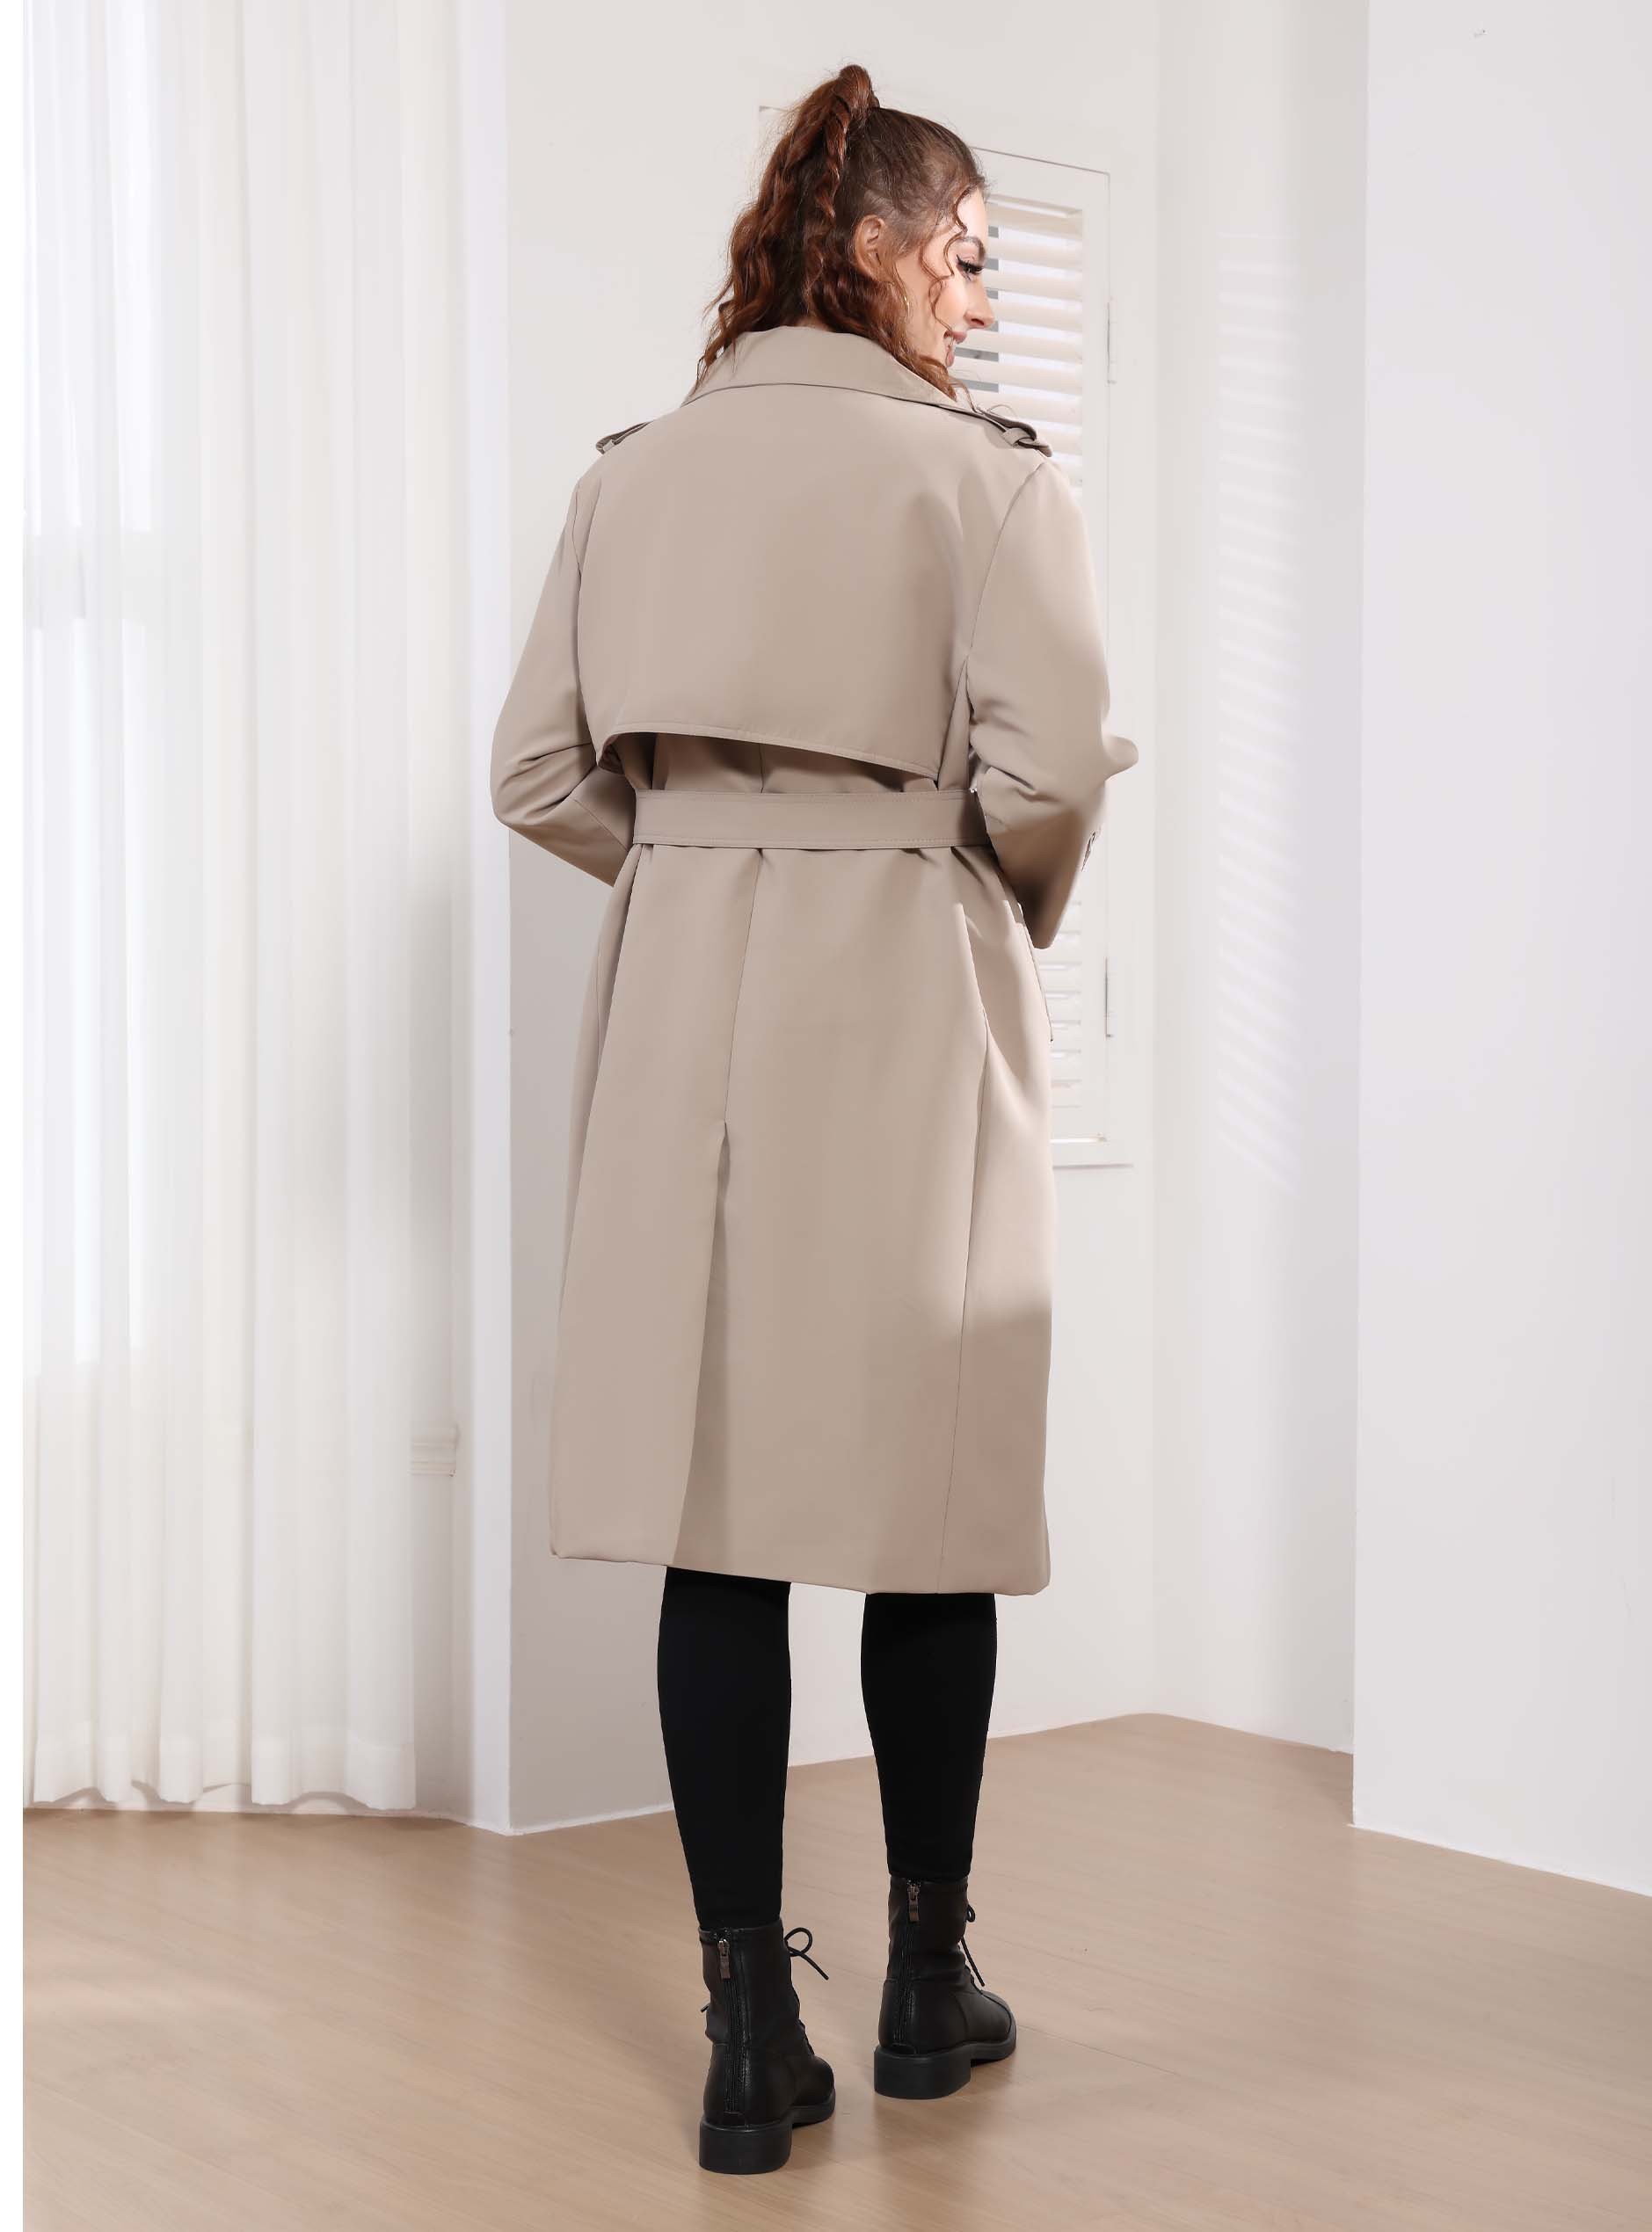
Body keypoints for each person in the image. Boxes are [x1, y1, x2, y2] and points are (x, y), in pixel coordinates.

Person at [489, 61, 1137, 2177]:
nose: (982, 298)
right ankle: (928, 1988)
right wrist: (955, 876)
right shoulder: (988, 486)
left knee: (720, 1520)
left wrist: (700, 867)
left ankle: (749, 2035)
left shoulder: (634, 476)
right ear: (874, 246)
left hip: (687, 1024)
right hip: (907, 1012)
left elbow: (533, 773)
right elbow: (1051, 772)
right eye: (968, 257)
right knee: (922, 1510)